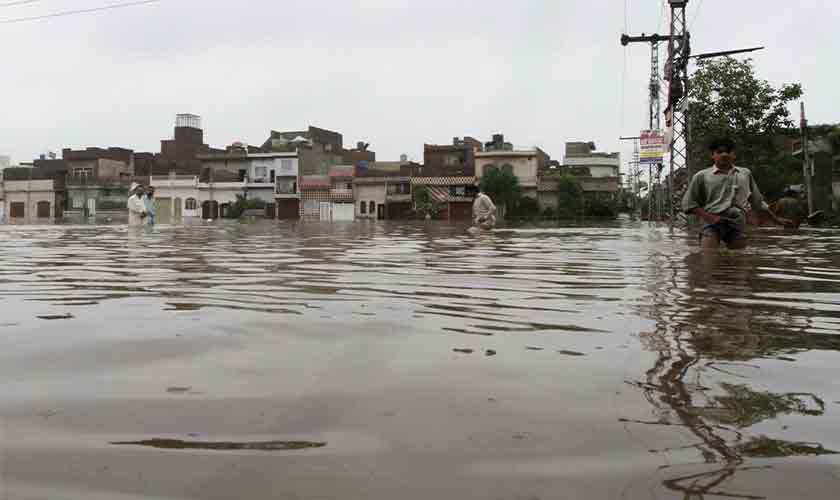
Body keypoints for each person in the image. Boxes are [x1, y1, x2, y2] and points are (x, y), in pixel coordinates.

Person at [682, 137, 791, 250]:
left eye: (728, 151)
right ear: (712, 155)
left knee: (739, 262)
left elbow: (758, 203)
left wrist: (777, 221)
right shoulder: (702, 176)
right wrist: (710, 217)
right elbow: (689, 203)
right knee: (709, 262)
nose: (724, 154)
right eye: (719, 152)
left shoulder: (745, 174)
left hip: (737, 224)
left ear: (734, 154)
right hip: (711, 224)